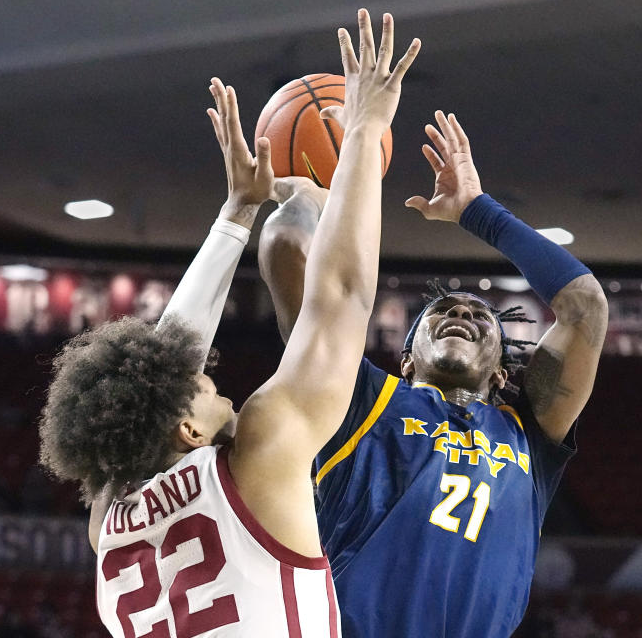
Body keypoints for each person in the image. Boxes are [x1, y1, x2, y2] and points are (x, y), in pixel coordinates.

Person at [38, 10, 420, 637]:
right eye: (211, 387)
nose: (223, 386)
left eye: (213, 385)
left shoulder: (111, 520)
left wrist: (236, 214)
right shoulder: (259, 457)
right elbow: (343, 297)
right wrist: (364, 130)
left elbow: (157, 372)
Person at [258, 112, 608, 635]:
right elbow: (287, 247)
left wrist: (478, 212)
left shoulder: (529, 432)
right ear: (405, 360)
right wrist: (312, 193)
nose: (461, 314)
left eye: (479, 317)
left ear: (499, 377)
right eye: (440, 313)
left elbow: (586, 307)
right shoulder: (359, 397)